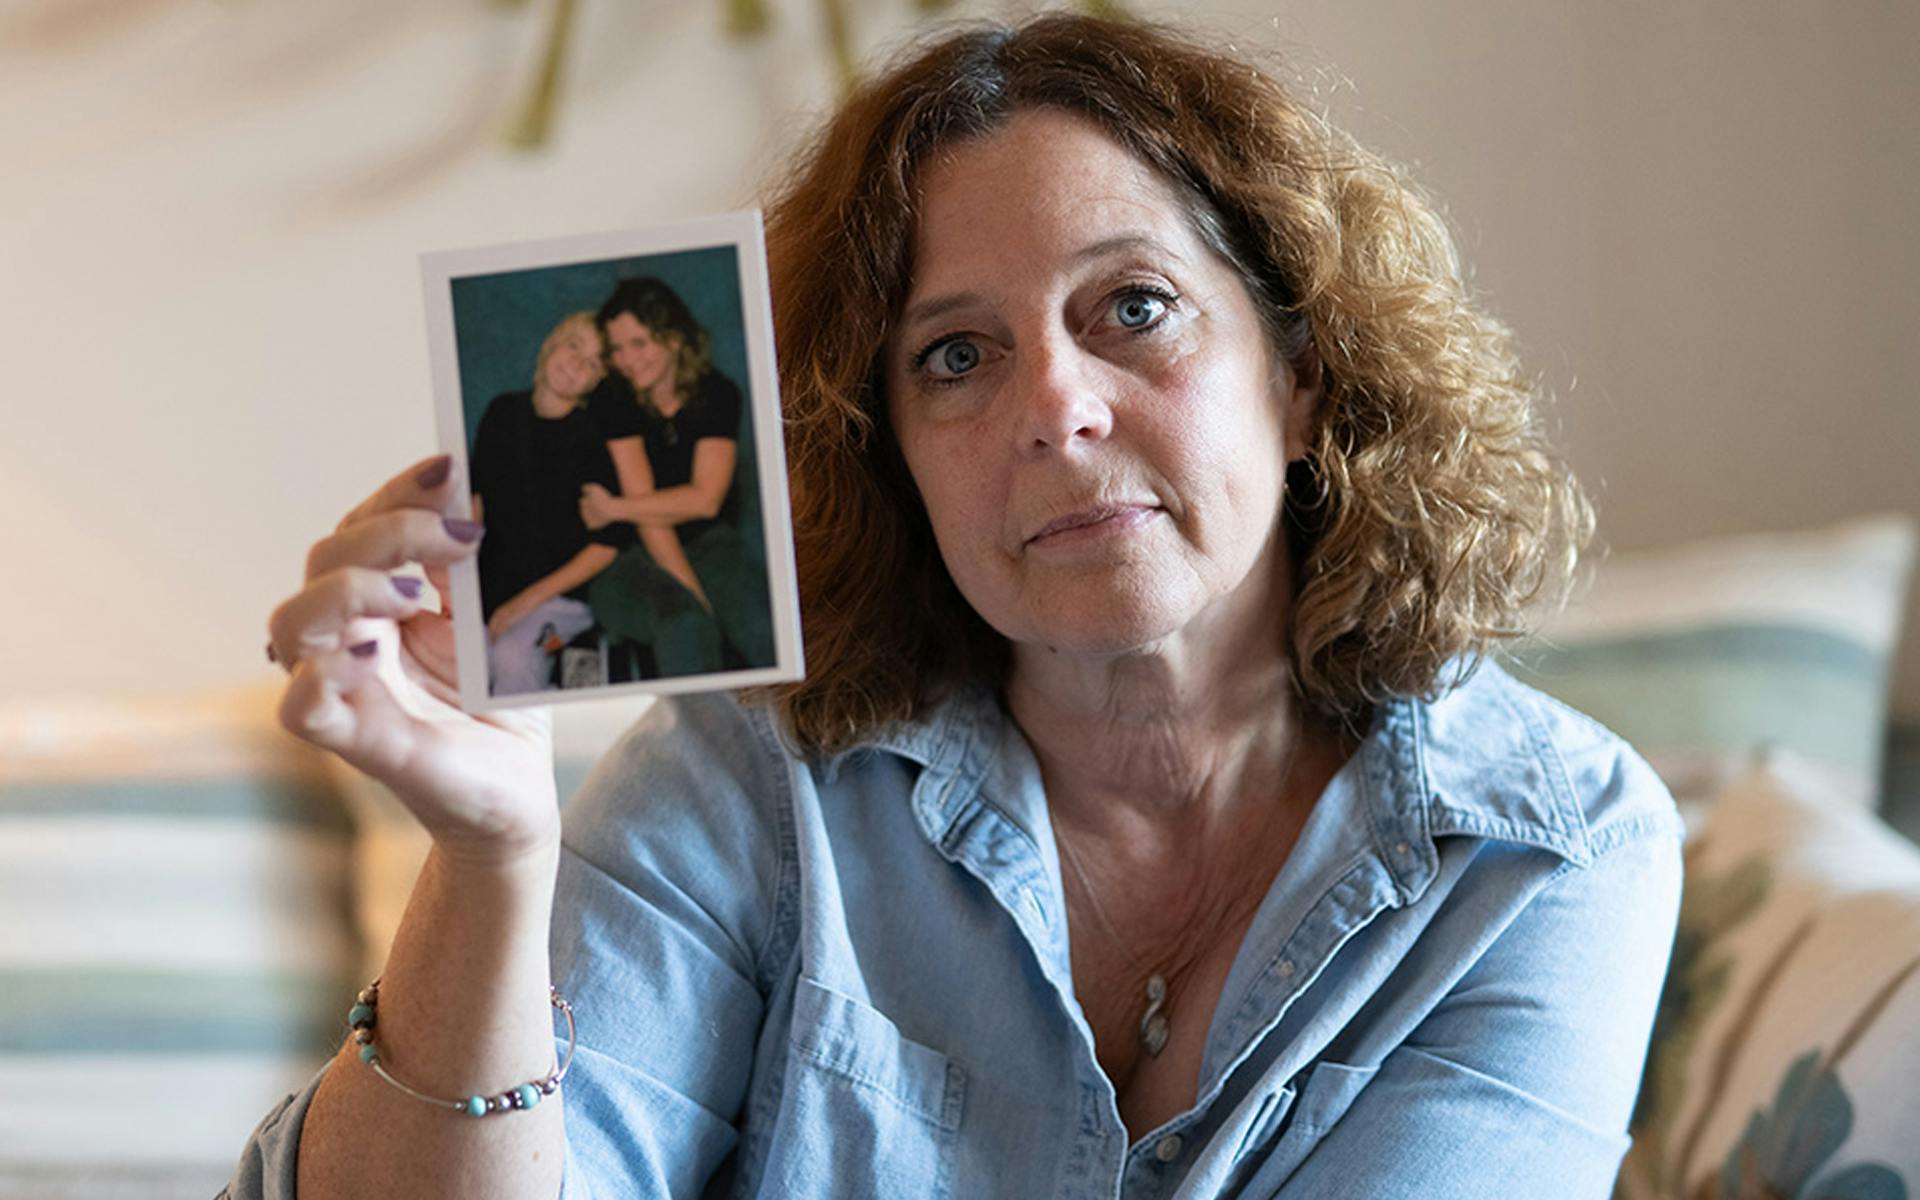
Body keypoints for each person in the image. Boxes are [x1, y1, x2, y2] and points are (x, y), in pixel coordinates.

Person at [242, 13, 1679, 1199]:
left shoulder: (1542, 850)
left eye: (1132, 308)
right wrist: (493, 857)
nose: (1056, 408)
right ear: (889, 453)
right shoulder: (745, 780)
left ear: (1300, 377)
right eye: (954, 356)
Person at [578, 277, 776, 676]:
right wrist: (698, 600)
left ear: (673, 338)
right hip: (629, 555)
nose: (627, 360)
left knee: (762, 629)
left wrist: (614, 507)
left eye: (639, 343)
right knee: (688, 626)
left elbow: (705, 499)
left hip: (710, 542)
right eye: (617, 348)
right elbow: (653, 527)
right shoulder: (613, 397)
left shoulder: (717, 393)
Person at [467, 313, 632, 695]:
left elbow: (605, 547)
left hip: (562, 608)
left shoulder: (591, 439)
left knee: (513, 655)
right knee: (467, 657)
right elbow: (475, 505)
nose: (577, 364)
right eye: (574, 346)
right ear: (550, 345)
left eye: (593, 363)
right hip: (488, 593)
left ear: (596, 382)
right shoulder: (502, 412)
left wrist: (521, 605)